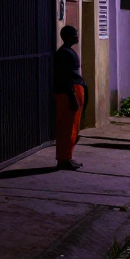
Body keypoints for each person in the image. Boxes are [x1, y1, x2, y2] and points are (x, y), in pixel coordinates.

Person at [54, 26, 86, 170]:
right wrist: (72, 96)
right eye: (74, 35)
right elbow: (64, 77)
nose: (77, 37)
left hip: (73, 90)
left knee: (72, 126)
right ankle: (63, 158)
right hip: (69, 92)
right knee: (67, 127)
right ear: (67, 37)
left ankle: (67, 156)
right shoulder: (64, 54)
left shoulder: (67, 52)